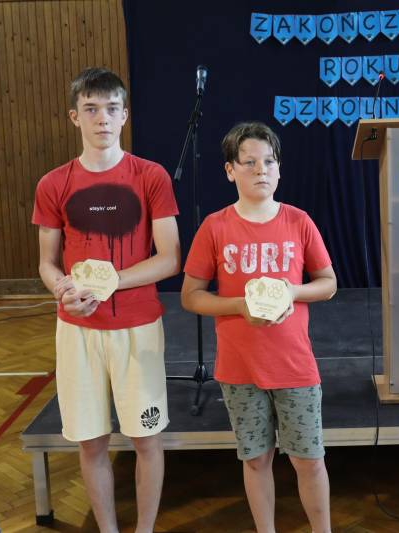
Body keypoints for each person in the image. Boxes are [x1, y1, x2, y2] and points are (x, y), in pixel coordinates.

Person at [32, 67, 180, 532]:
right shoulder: (53, 183)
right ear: (74, 117)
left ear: (125, 116)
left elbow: (170, 258)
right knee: (91, 442)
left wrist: (111, 281)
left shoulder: (151, 176)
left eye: (112, 109)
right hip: (78, 331)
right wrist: (62, 289)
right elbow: (47, 263)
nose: (102, 119)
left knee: (146, 440)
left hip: (138, 329)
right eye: (91, 109)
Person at [180, 121, 337, 533]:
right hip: (239, 367)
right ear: (230, 170)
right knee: (256, 459)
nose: (261, 170)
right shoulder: (215, 226)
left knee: (308, 459)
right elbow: (191, 295)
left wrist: (291, 291)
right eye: (249, 162)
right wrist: (240, 306)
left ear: (280, 168)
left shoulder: (298, 221)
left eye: (268, 161)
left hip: (294, 366)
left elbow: (328, 284)